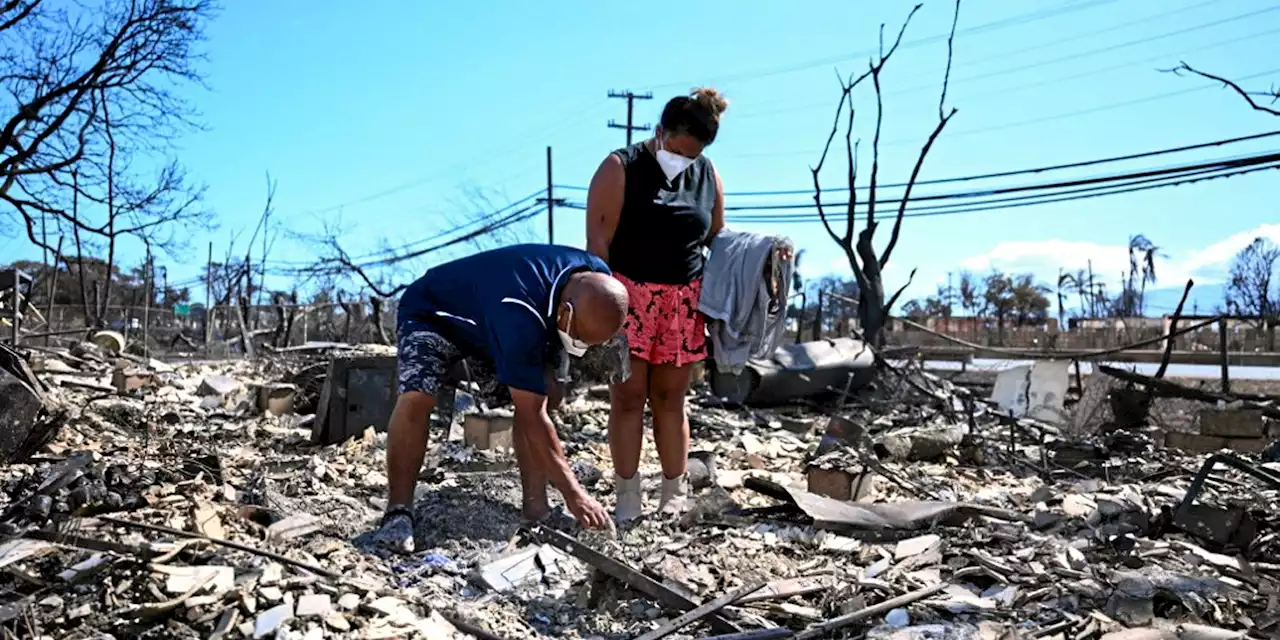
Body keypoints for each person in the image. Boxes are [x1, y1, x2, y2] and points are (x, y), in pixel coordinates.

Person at [373, 244, 629, 553]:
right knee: (418, 395)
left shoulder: (597, 275)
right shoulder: (520, 312)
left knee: (540, 392)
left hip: (491, 314)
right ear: (566, 312)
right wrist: (575, 495)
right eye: (581, 339)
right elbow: (532, 414)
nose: (582, 347)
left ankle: (537, 511)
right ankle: (398, 512)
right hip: (433, 313)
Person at [585, 87, 728, 521]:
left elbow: (717, 239)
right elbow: (597, 243)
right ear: (660, 131)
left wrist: (767, 252)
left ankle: (673, 493)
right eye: (678, 150)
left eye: (692, 155)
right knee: (628, 397)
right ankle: (627, 496)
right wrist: (602, 310)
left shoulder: (708, 176)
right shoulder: (619, 167)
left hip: (683, 302)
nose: (683, 161)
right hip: (628, 297)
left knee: (671, 399)